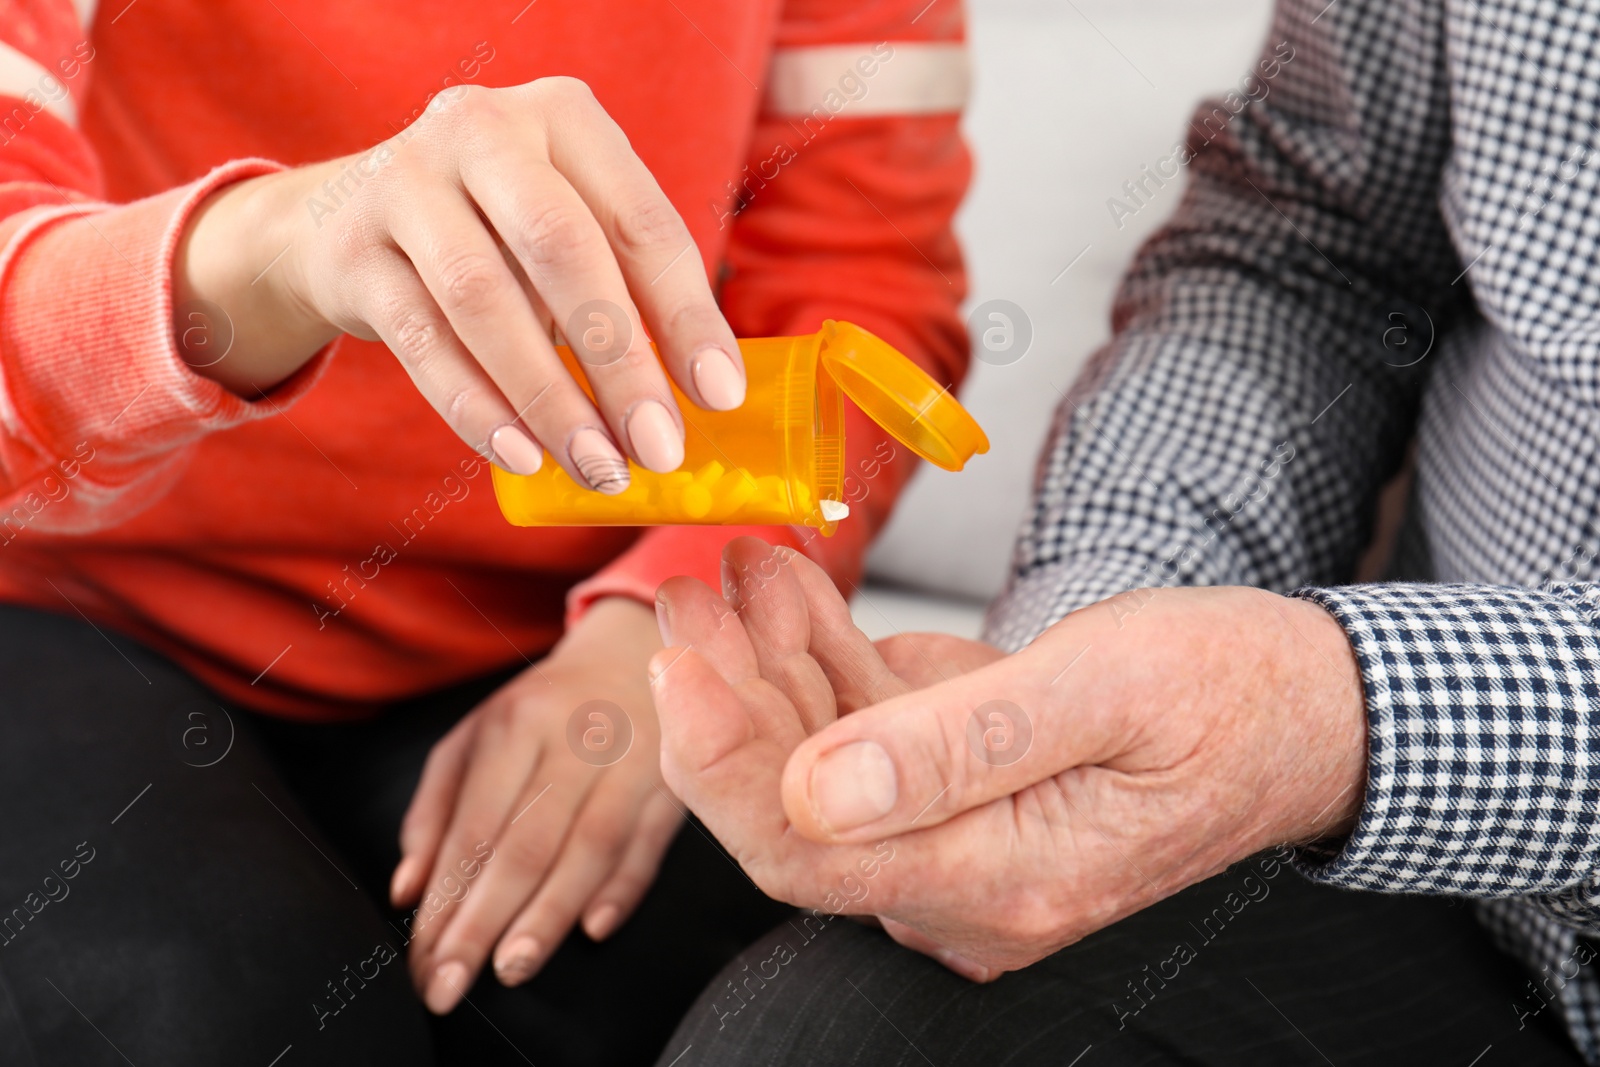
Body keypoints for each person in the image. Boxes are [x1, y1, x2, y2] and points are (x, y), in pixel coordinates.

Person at [0, 1, 971, 1064]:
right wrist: (282, 251)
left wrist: (672, 617)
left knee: (757, 1002)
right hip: (64, 612)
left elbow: (868, 292)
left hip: (562, 636)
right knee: (210, 1013)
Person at [647, 0, 1600, 1062]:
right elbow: (1315, 250)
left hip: (1424, 773)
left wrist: (1334, 715)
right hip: (1448, 894)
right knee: (829, 1034)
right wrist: (1101, 641)